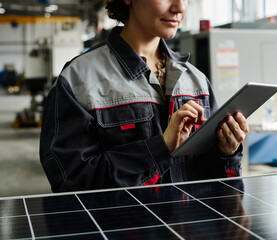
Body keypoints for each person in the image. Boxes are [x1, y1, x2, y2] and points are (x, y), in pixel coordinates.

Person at [39, 0, 249, 192]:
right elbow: (70, 181)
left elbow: (214, 181)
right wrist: (161, 148)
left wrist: (227, 152)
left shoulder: (196, 81)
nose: (180, 8)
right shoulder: (77, 80)